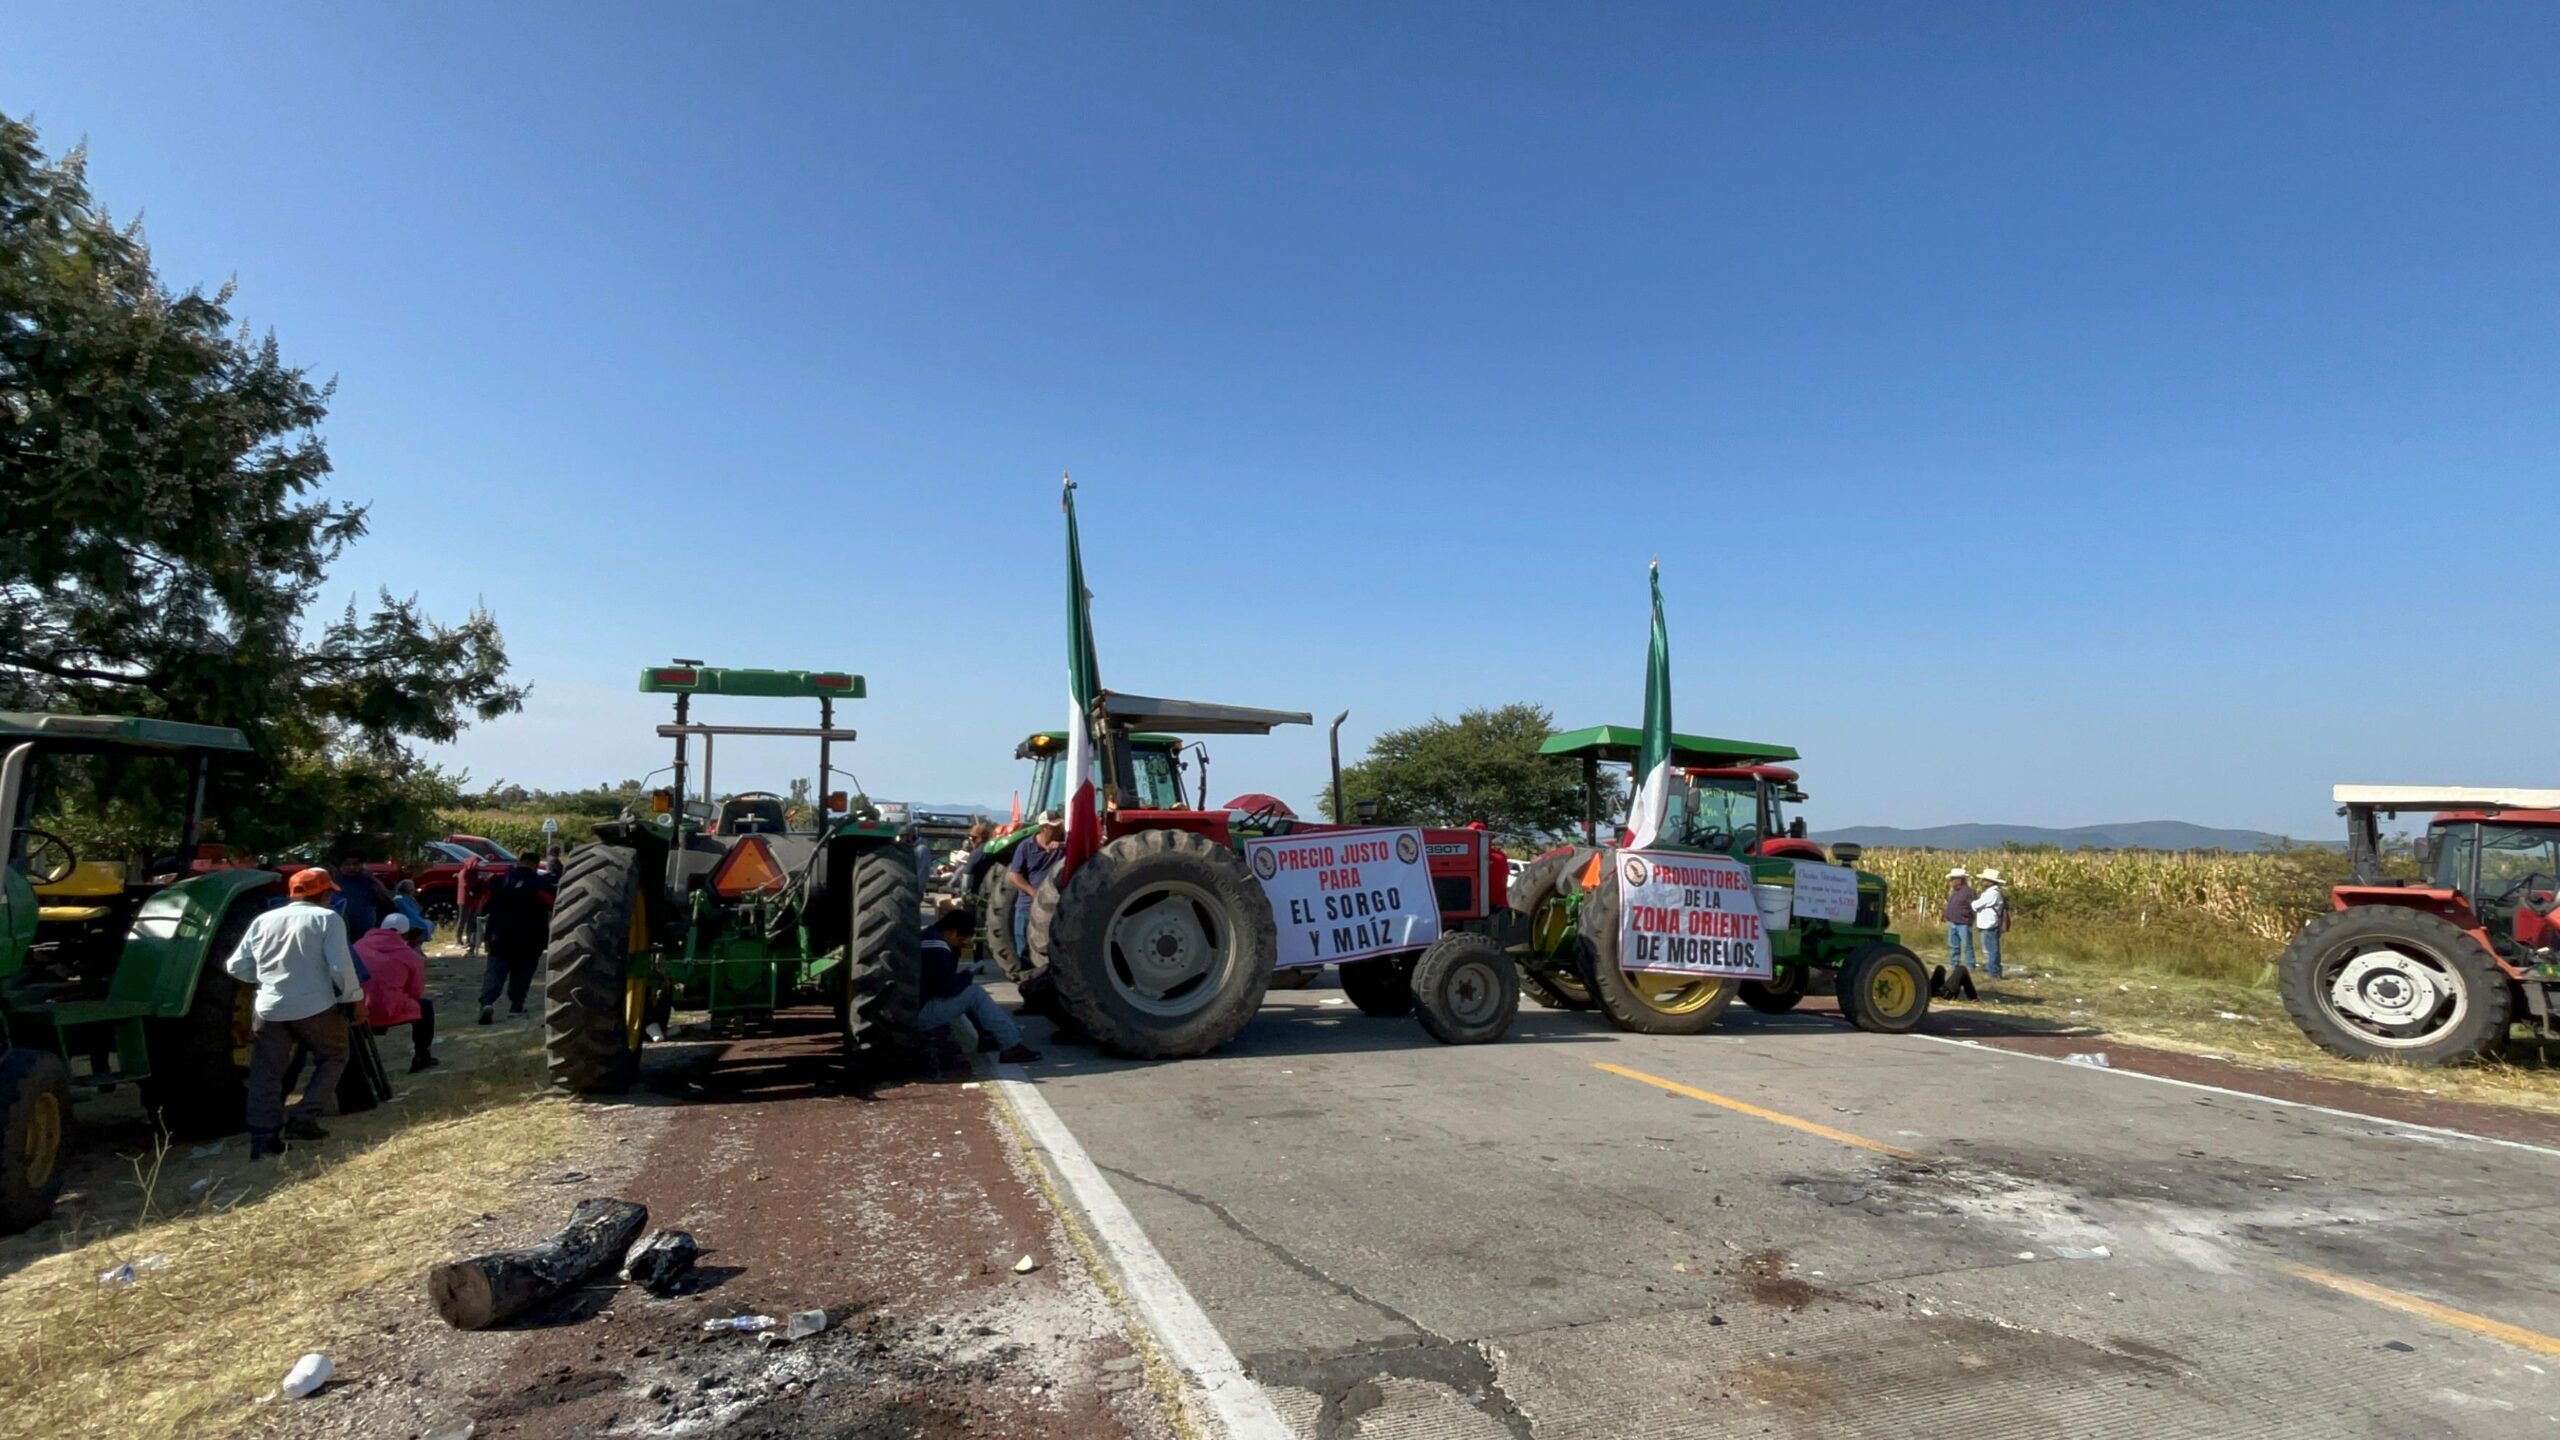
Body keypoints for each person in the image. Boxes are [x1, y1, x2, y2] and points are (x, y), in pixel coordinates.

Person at [226, 867, 366, 1159]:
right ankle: (303, 1117)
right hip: (315, 1006)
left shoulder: (264, 920)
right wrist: (355, 1000)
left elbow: (236, 967)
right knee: (334, 1055)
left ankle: (263, 1138)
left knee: (266, 1073)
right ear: (325, 893)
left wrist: (267, 979)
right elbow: (341, 967)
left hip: (269, 1007)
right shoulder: (327, 919)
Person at [919, 907, 1040, 1063]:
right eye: (962, 940)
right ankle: (1012, 1045)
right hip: (923, 1013)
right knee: (975, 994)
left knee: (968, 994)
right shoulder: (937, 947)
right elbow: (946, 988)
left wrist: (956, 955)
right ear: (952, 932)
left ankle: (987, 1036)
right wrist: (966, 976)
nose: (964, 944)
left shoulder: (929, 938)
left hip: (919, 1007)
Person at [478, 852, 553, 1023]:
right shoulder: (541, 883)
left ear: (519, 862)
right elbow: (553, 904)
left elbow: (483, 908)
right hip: (530, 938)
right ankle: (516, 1005)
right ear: (535, 864)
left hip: (499, 935)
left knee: (495, 971)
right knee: (523, 973)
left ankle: (487, 1003)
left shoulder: (499, 881)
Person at [358, 914, 439, 1072]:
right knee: (425, 1008)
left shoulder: (358, 946)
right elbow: (415, 992)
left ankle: (360, 1064)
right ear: (406, 933)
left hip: (359, 1009)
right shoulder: (411, 956)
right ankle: (421, 1056)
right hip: (389, 1009)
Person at [1007, 811, 1066, 957]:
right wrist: (1034, 892)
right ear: (1044, 828)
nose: (1059, 830)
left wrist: (1063, 845)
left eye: (1060, 826)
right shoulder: (1025, 847)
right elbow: (1014, 875)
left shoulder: (1062, 845)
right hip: (1027, 905)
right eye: (1054, 827)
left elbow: (1082, 844)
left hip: (1053, 906)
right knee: (1025, 948)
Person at [330, 854, 394, 938]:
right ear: (340, 866)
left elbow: (386, 899)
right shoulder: (334, 883)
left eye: (355, 864)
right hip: (342, 931)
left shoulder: (370, 881)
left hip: (366, 932)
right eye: (347, 864)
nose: (351, 868)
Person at [1938, 868, 1978, 997]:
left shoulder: (1969, 892)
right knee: (1953, 945)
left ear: (1959, 880)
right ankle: (1954, 963)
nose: (1951, 881)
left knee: (1967, 945)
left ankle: (1970, 965)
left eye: (1953, 879)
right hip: (1953, 922)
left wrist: (1971, 920)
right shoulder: (1954, 892)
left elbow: (1973, 908)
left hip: (1963, 923)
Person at [1972, 867, 2009, 980]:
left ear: (1990, 881)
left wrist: (1974, 902)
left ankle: (1994, 973)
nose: (1982, 882)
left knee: (1991, 951)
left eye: (1984, 880)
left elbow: (1975, 905)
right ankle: (1994, 971)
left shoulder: (1992, 893)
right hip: (1988, 924)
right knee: (1991, 950)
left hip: (1989, 925)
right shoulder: (1994, 892)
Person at [391, 879, 434, 950]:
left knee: (427, 924)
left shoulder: (404, 898)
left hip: (406, 922)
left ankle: (416, 947)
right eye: (413, 887)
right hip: (407, 923)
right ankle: (415, 948)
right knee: (425, 925)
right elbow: (412, 915)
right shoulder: (401, 899)